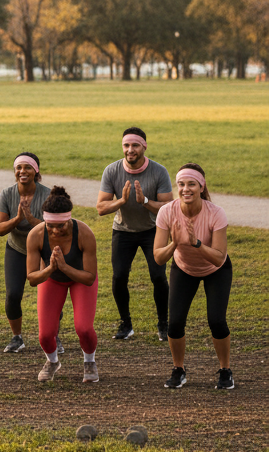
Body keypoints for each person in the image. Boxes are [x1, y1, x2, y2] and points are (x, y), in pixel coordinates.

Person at [154, 164, 233, 390]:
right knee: (175, 323)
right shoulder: (167, 212)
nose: (185, 189)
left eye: (191, 184)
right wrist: (175, 244)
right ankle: (179, 369)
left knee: (216, 320)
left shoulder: (215, 213)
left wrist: (196, 243)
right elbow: (159, 258)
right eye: (181, 184)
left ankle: (225, 370)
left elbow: (218, 258)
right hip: (184, 268)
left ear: (201, 186)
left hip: (216, 270)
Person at [97, 128, 174, 341]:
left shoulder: (159, 171)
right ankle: (126, 324)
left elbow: (168, 207)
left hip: (153, 230)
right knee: (119, 276)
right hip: (123, 231)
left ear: (144, 147)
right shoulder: (111, 171)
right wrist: (121, 201)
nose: (130, 150)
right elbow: (101, 208)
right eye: (126, 145)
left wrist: (146, 202)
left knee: (158, 276)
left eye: (135, 145)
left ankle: (163, 324)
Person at [26, 187, 100, 383]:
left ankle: (89, 361)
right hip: (51, 279)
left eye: (61, 225)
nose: (56, 230)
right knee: (45, 335)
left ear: (69, 219)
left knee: (84, 328)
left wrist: (64, 267)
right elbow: (33, 279)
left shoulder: (84, 233)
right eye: (50, 225)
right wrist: (51, 269)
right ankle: (52, 362)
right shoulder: (35, 235)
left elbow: (89, 278)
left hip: (80, 279)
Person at [0, 153, 51, 353]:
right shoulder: (7, 194)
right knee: (13, 294)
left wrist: (30, 218)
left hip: (43, 248)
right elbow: (1, 229)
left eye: (27, 167)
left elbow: (53, 229)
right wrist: (19, 218)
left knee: (49, 295)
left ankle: (53, 336)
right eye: (18, 168)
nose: (22, 171)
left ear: (36, 171)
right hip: (17, 248)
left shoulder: (48, 194)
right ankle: (17, 337)